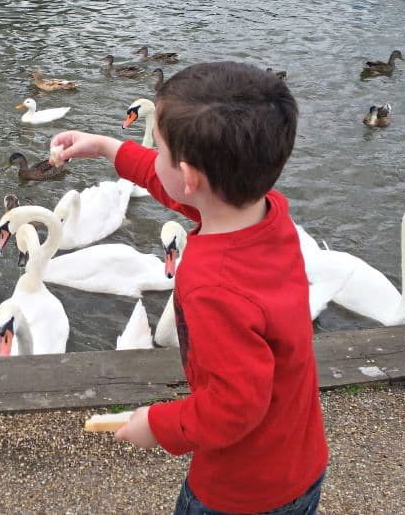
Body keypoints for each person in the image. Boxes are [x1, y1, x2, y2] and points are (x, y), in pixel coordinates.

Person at [50, 62, 328, 514]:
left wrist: (157, 425)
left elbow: (234, 407)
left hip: (240, 491)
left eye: (157, 148)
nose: (155, 158)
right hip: (300, 459)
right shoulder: (267, 211)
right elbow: (181, 189)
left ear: (190, 176)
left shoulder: (212, 286)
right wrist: (106, 148)